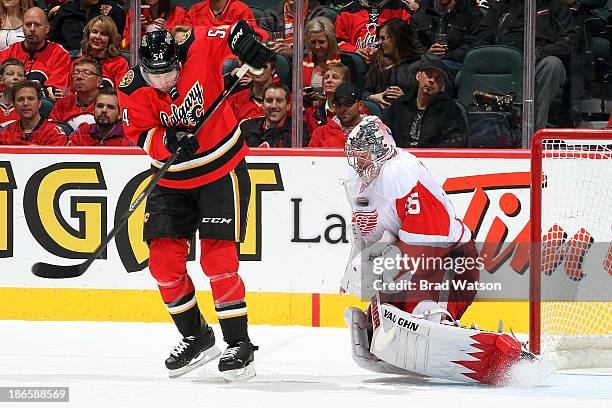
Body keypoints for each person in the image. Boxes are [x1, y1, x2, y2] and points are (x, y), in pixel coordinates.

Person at [117, 23, 275, 380]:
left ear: (178, 59)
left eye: (169, 74)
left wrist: (249, 45)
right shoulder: (132, 87)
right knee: (162, 264)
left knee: (218, 260)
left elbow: (237, 33)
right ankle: (196, 336)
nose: (164, 83)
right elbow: (140, 135)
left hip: (221, 171)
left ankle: (239, 343)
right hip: (171, 180)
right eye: (154, 76)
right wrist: (167, 141)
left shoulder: (198, 46)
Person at [340, 115, 526, 385]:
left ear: (382, 150)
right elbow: (366, 233)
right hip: (414, 249)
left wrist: (386, 274)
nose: (360, 164)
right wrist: (357, 269)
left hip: (454, 255)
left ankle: (436, 318)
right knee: (385, 281)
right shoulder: (355, 179)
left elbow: (429, 245)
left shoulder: (402, 173)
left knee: (416, 298)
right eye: (356, 157)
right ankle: (389, 320)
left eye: (365, 156)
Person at [472, 0, 576, 130]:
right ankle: (476, 134)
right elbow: (480, 39)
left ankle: (534, 133)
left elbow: (570, 40)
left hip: (539, 63)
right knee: (463, 75)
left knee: (552, 64)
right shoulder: (502, 7)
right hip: (505, 66)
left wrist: (539, 53)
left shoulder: (554, 5)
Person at [384, 55, 468, 147]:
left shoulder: (451, 110)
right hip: (400, 157)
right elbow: (384, 134)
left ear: (443, 86)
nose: (431, 80)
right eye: (428, 74)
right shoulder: (399, 104)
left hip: (433, 159)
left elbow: (457, 140)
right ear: (418, 76)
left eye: (438, 78)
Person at [0, 7, 71, 100]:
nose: (32, 29)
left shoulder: (60, 54)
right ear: (23, 27)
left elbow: (53, 92)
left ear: (47, 28)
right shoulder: (7, 53)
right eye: (28, 25)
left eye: (37, 25)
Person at [334, 0, 417, 63]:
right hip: (356, 67)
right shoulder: (347, 11)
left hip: (393, 67)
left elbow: (409, 43)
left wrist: (383, 49)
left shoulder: (403, 10)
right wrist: (354, 51)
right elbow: (338, 42)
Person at [364, 18, 422, 109]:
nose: (380, 42)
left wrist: (404, 98)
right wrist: (373, 97)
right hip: (379, 113)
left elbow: (425, 100)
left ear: (397, 38)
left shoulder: (421, 64)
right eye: (379, 38)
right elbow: (364, 92)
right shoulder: (379, 60)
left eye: (383, 38)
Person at [411, 0, 484, 70]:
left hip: (457, 63)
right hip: (425, 60)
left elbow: (472, 45)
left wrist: (447, 55)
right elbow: (414, 43)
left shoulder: (471, 13)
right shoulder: (421, 12)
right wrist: (428, 53)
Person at [0, 79, 67, 145]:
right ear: (14, 104)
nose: (26, 103)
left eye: (30, 99)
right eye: (20, 100)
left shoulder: (54, 134)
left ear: (39, 103)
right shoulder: (5, 133)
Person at [48, 0, 126, 53]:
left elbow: (115, 45)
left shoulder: (114, 11)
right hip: (67, 62)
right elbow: (52, 40)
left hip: (102, 63)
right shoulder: (65, 10)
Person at [49, 57, 101, 130]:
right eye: (76, 73)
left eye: (86, 73)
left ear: (99, 81)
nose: (79, 77)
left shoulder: (107, 103)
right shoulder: (62, 103)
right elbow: (52, 131)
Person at [79, 15, 129, 89]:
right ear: (88, 34)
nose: (97, 37)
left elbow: (122, 93)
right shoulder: (79, 63)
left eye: (103, 34)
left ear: (110, 39)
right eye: (94, 32)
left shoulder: (120, 64)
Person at [308, 82, 365, 147]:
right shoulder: (321, 133)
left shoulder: (374, 130)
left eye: (348, 103)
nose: (342, 109)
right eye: (338, 104)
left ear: (360, 105)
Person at [241, 82, 296, 147]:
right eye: (269, 100)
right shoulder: (246, 127)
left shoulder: (297, 130)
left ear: (288, 106)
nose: (273, 106)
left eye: (279, 101)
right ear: (263, 105)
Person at [304, 61, 352, 135]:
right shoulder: (311, 113)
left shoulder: (354, 111)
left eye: (335, 77)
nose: (329, 80)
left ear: (345, 84)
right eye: (326, 77)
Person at [121, 0, 187, 50]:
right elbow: (124, 46)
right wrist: (138, 31)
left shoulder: (179, 13)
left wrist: (167, 33)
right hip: (141, 61)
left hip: (169, 61)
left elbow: (184, 46)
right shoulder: (134, 14)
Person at [303, 16, 341, 101]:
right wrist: (302, 96)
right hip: (307, 109)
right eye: (313, 42)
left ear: (330, 41)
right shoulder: (300, 61)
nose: (317, 46)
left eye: (321, 42)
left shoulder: (344, 61)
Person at [0, 58, 25, 126]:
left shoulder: (28, 105)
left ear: (24, 80)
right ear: (1, 79)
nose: (15, 77)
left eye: (20, 75)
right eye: (10, 74)